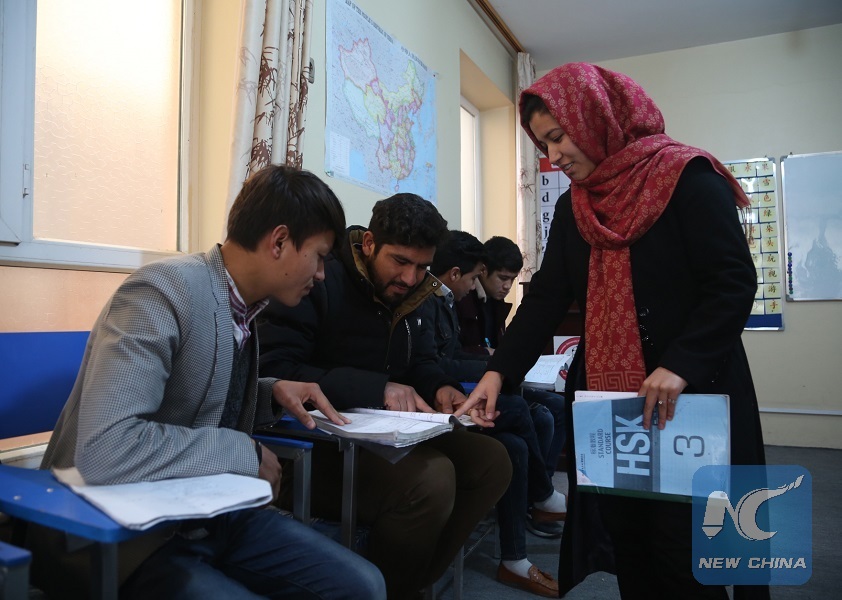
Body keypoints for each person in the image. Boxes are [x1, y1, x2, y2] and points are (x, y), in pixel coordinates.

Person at [466, 63, 768, 600]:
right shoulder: (574, 206)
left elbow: (732, 283)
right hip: (613, 406)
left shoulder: (687, 178)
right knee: (631, 542)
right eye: (543, 143)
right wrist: (498, 371)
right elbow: (546, 298)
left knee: (690, 551)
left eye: (559, 137)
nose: (554, 155)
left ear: (596, 117)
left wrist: (679, 365)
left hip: (691, 396)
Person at [33, 165, 386, 600]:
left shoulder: (244, 305)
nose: (321, 275)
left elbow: (197, 398)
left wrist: (268, 392)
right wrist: (244, 451)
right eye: (319, 256)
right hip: (121, 532)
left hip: (204, 512)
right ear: (279, 242)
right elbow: (108, 449)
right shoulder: (160, 292)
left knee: (365, 585)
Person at [257, 194, 512, 600]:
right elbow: (276, 370)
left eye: (422, 267)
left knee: (492, 461)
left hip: (383, 436)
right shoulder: (319, 280)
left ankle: (405, 584)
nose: (410, 278)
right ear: (370, 244)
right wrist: (377, 388)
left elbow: (421, 362)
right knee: (432, 479)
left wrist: (440, 388)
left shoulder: (414, 295)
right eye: (400, 261)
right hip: (314, 447)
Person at [420, 230, 566, 596]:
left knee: (515, 444)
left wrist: (494, 367)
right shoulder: (428, 300)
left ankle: (514, 558)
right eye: (474, 278)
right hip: (435, 404)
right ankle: (542, 495)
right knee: (522, 409)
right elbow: (435, 364)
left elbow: (445, 360)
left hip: (453, 391)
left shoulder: (445, 300)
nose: (475, 287)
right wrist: (491, 367)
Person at [456, 235, 567, 536]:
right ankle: (539, 497)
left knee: (559, 407)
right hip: (478, 384)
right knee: (541, 415)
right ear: (482, 271)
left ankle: (540, 495)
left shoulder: (494, 303)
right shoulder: (463, 297)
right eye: (502, 278)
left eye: (512, 280)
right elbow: (455, 353)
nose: (507, 286)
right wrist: (490, 356)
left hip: (500, 381)